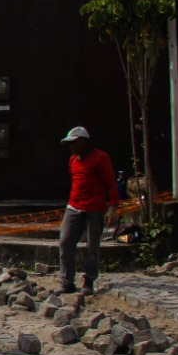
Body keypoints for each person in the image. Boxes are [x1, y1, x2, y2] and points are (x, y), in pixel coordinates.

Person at [58, 126, 119, 296]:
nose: (72, 147)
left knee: (92, 246)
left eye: (74, 143)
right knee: (65, 242)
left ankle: (89, 281)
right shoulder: (73, 160)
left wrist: (112, 208)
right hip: (74, 206)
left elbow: (110, 183)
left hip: (94, 209)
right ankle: (66, 281)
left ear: (84, 142)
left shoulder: (100, 158)